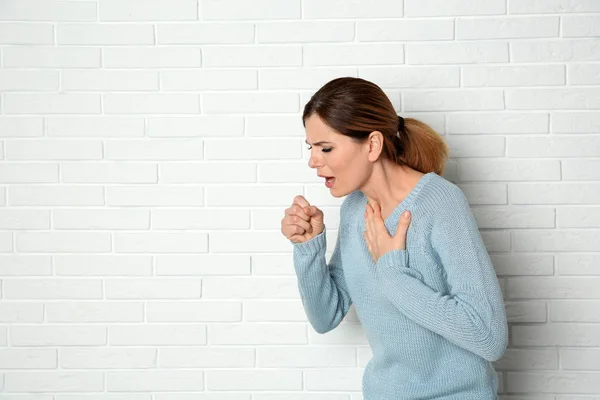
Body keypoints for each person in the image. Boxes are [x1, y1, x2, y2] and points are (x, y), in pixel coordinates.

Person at [281, 77, 508, 399]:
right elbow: (325, 317)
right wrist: (308, 249)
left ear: (372, 144)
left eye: (326, 148)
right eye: (312, 148)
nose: (313, 161)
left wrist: (392, 269)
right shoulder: (355, 210)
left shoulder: (439, 203)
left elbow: (488, 337)